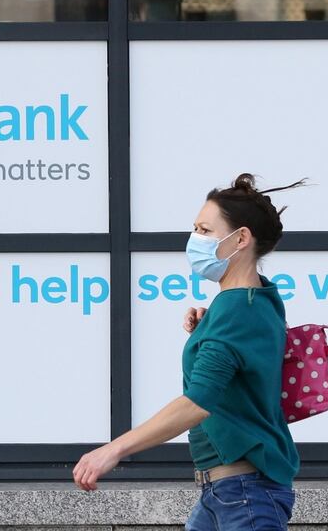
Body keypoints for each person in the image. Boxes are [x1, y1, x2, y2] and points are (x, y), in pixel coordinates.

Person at [72, 172, 310, 530]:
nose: (194, 240)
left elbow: (197, 403)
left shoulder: (236, 311)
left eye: (203, 230)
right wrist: (209, 327)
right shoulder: (256, 299)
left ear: (241, 238)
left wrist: (113, 450)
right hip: (226, 492)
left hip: (243, 494)